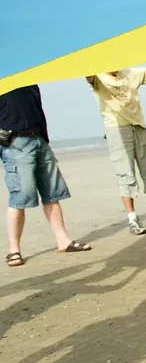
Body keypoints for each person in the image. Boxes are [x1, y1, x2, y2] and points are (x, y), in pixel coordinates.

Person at [0, 86, 91, 267]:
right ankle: (14, 250)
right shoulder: (5, 76)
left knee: (52, 193)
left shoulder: (30, 81)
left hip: (39, 139)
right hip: (15, 142)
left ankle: (63, 241)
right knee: (20, 195)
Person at [86, 60, 146, 235]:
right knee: (125, 173)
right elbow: (88, 75)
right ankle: (132, 219)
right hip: (117, 127)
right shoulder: (98, 77)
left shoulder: (127, 73)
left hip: (138, 124)